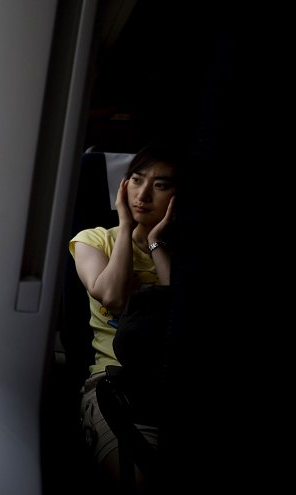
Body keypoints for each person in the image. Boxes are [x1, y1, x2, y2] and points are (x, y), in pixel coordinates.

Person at [68, 140, 182, 491]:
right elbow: (114, 298)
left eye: (160, 185)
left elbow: (179, 316)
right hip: (115, 383)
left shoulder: (179, 250)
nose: (143, 195)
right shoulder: (93, 240)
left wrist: (156, 244)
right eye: (136, 180)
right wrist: (125, 224)